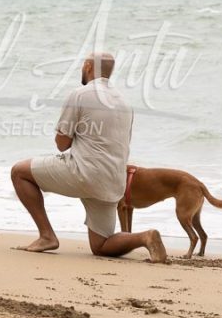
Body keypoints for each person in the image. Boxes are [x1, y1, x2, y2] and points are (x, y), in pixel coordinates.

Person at [10, 52, 167, 261]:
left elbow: (61, 144)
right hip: (113, 182)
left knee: (19, 172)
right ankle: (145, 237)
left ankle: (47, 236)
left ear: (87, 67)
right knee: (101, 245)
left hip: (83, 173)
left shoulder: (80, 94)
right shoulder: (125, 103)